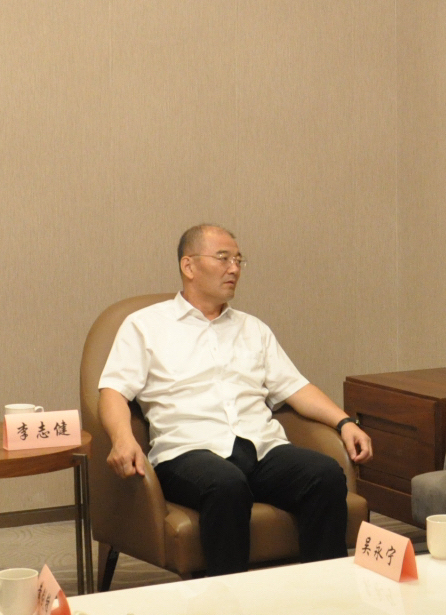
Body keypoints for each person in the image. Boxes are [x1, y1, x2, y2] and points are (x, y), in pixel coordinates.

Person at [98, 224, 373, 576]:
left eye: (239, 260)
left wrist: (344, 422)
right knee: (225, 484)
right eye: (223, 258)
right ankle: (228, 596)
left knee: (325, 475)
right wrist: (122, 439)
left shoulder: (252, 328)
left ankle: (323, 588)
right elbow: (113, 391)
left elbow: (295, 387)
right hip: (187, 452)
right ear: (188, 266)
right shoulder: (145, 326)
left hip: (260, 449)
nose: (234, 269)